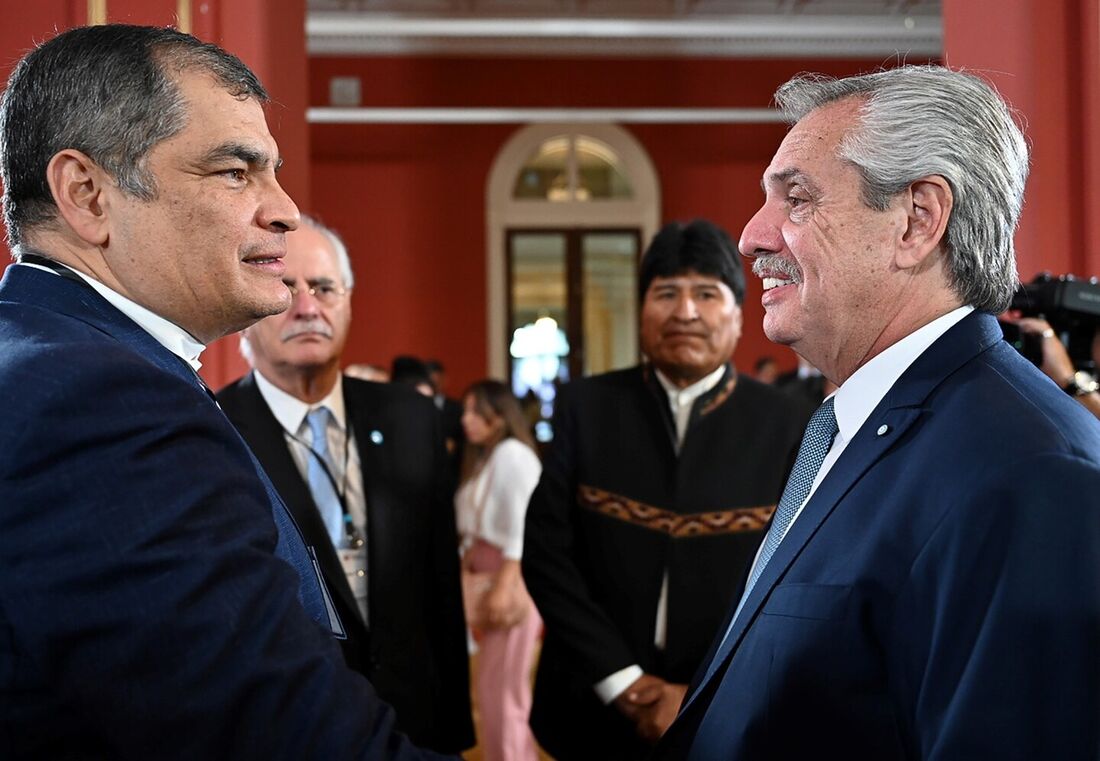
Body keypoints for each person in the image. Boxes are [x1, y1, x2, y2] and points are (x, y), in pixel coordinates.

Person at [0, 24, 453, 760]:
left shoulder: (58, 352)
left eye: (272, 170)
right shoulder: (96, 400)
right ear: (87, 193)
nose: (284, 210)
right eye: (236, 172)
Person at [655, 66, 1100, 760]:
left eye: (796, 199)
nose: (749, 236)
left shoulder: (1035, 474)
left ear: (918, 220)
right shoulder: (854, 421)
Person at [522, 219, 812, 760]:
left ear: (738, 311)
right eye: (667, 294)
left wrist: (702, 693)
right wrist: (626, 685)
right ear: (641, 309)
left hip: (730, 710)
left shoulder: (791, 423)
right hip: (590, 703)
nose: (685, 313)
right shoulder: (586, 408)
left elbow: (792, 582)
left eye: (707, 293)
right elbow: (546, 558)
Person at [216, 215, 475, 754]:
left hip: (414, 721)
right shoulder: (213, 432)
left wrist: (454, 732)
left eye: (324, 288)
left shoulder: (413, 418)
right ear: (246, 314)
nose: (307, 307)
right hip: (291, 729)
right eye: (286, 287)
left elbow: (439, 587)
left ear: (349, 300)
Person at [454, 380, 543, 761]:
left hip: (510, 577)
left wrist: (506, 584)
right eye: (466, 411)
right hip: (491, 573)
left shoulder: (512, 455)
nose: (466, 420)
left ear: (499, 414)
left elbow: (524, 525)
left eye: (476, 411)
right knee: (493, 692)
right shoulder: (490, 455)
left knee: (505, 694)